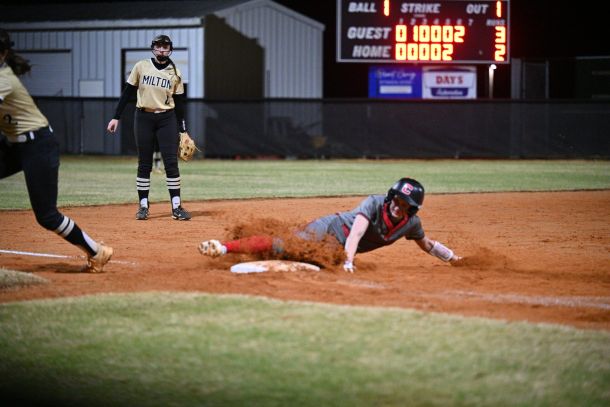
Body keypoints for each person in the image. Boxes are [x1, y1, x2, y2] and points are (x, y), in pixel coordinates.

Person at [0, 29, 113, 273]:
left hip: (38, 146)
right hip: (14, 145)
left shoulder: (3, 78)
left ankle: (97, 252)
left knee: (47, 216)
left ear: (3, 53)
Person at [198, 177, 461, 272]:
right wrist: (348, 261)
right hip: (327, 229)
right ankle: (222, 248)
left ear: (411, 209)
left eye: (404, 204)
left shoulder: (411, 224)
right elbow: (356, 233)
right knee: (282, 246)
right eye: (396, 199)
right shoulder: (373, 203)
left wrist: (453, 259)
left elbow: (428, 245)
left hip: (337, 248)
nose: (397, 206)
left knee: (309, 262)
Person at [107, 34, 190, 221]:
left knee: (171, 163)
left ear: (170, 50)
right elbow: (127, 92)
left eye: (165, 46)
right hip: (143, 117)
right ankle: (143, 206)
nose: (161, 49)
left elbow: (179, 103)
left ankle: (176, 207)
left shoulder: (175, 72)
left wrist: (183, 129)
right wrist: (115, 117)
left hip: (167, 118)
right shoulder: (141, 66)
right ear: (153, 48)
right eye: (158, 46)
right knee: (144, 163)